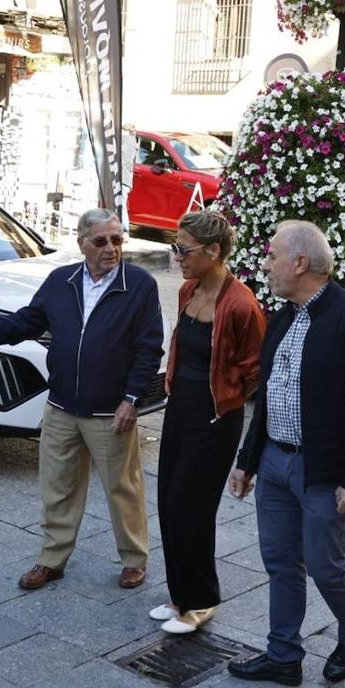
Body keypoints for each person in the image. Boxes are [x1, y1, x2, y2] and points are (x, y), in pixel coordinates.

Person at [0, 208, 164, 590]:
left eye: (117, 239)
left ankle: (133, 559)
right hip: (61, 407)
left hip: (110, 411)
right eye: (101, 241)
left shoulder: (139, 285)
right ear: (81, 244)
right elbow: (26, 322)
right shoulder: (62, 280)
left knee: (122, 489)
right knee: (57, 488)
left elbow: (149, 348)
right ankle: (52, 559)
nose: (111, 248)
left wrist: (132, 399)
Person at [225, 220, 345, 686]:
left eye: (272, 256)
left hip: (322, 470)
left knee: (324, 564)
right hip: (275, 461)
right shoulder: (283, 316)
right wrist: (248, 459)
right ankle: (283, 655)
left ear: (300, 262)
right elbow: (270, 395)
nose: (266, 264)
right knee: (280, 561)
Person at [150, 211, 266, 634]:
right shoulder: (187, 290)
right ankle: (180, 594)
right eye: (175, 245)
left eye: (184, 248)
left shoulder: (240, 303)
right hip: (181, 409)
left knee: (191, 508)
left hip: (215, 418)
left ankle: (200, 603)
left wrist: (229, 402)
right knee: (168, 500)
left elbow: (256, 370)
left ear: (214, 251)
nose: (176, 255)